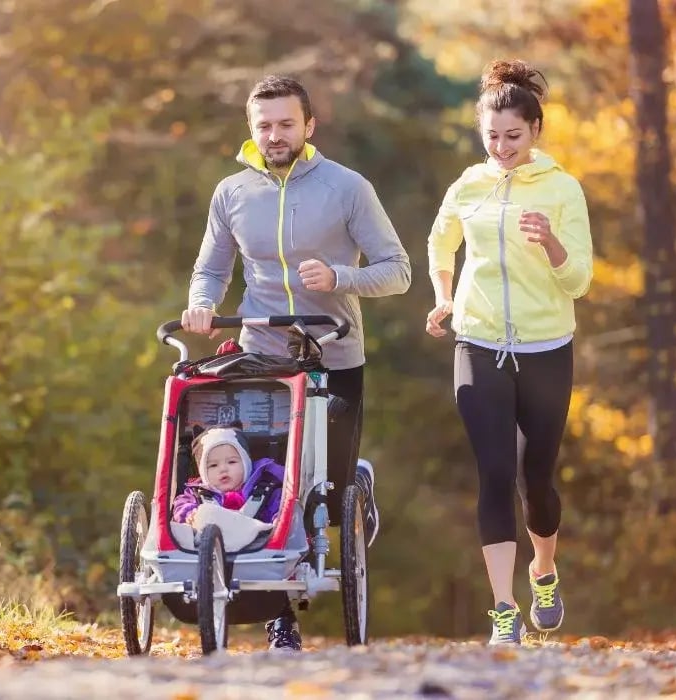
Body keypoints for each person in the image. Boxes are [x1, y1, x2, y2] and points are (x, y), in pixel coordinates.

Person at [181, 74, 411, 650]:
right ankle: (282, 615)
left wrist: (341, 277)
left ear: (309, 126)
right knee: (265, 485)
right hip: (262, 357)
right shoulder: (232, 192)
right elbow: (211, 268)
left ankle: (353, 478)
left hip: (333, 351)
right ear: (250, 130)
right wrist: (202, 304)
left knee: (327, 499)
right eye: (263, 126)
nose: (274, 135)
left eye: (286, 124)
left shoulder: (347, 188)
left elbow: (398, 270)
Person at [425, 59, 593, 645]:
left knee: (536, 480)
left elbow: (580, 283)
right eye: (491, 136)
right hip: (478, 341)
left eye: (513, 136)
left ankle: (543, 570)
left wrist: (549, 240)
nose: (501, 147)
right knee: (494, 473)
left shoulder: (563, 189)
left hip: (547, 348)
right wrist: (444, 298)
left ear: (536, 131)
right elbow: (439, 242)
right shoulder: (467, 185)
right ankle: (504, 610)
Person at [172, 425, 284, 526]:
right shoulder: (195, 494)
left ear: (246, 465)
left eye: (231, 462)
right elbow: (181, 505)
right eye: (213, 465)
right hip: (209, 544)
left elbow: (279, 509)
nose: (223, 469)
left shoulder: (267, 490)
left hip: (259, 545)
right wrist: (191, 515)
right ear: (203, 473)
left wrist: (278, 519)